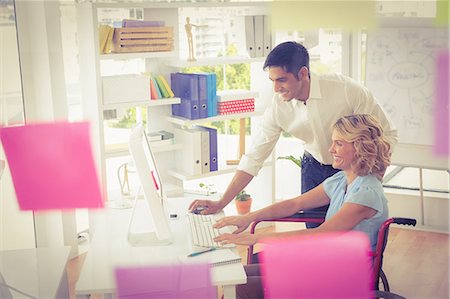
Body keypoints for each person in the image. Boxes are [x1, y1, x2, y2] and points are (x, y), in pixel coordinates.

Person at [189, 41, 397, 228]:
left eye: (282, 80)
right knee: (315, 236)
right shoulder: (278, 107)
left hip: (353, 170)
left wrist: (369, 182)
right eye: (272, 80)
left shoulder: (346, 90)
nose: (276, 88)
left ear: (303, 73)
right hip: (314, 167)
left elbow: (386, 134)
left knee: (351, 233)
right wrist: (221, 202)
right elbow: (254, 156)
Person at [213, 114, 392, 299]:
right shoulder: (341, 180)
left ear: (359, 146)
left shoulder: (366, 193)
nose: (331, 149)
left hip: (339, 275)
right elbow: (295, 204)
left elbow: (320, 234)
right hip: (323, 261)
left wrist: (257, 237)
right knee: (236, 277)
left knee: (240, 287)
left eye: (339, 143)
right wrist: (248, 217)